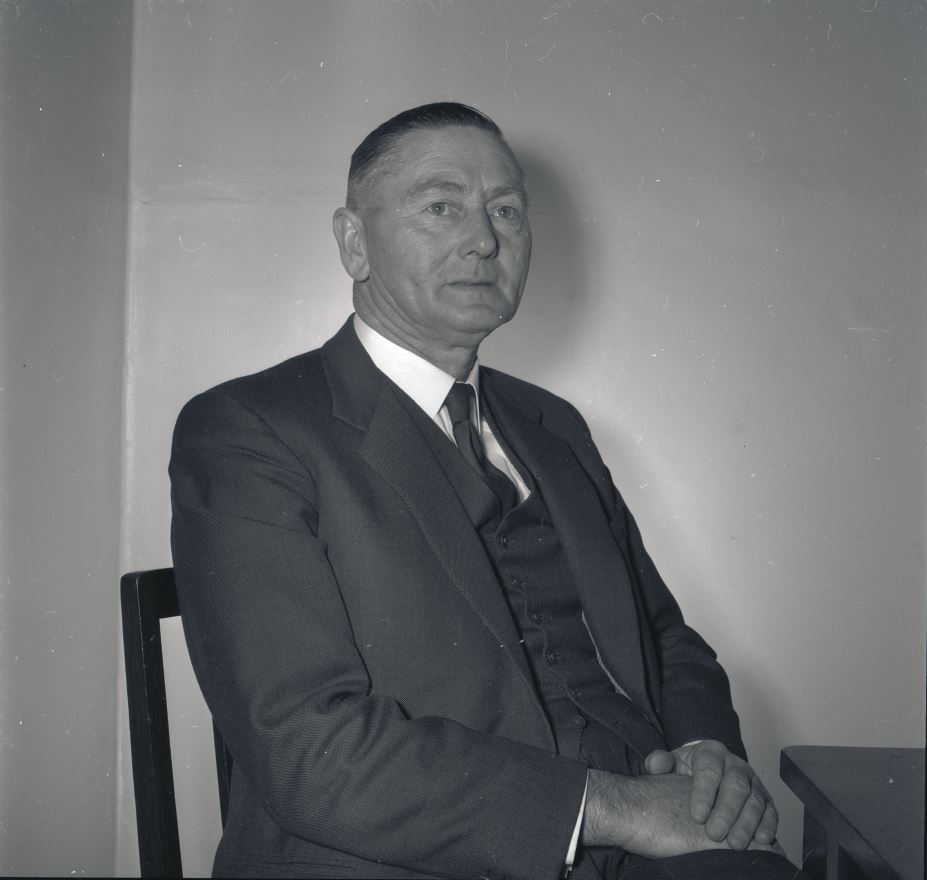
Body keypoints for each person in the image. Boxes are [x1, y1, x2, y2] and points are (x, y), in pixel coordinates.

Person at [170, 103, 806, 880]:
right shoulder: (248, 428)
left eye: (504, 210)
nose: (482, 240)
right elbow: (308, 747)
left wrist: (707, 759)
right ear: (352, 241)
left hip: (641, 824)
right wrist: (614, 808)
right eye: (441, 207)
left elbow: (662, 636)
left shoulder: (551, 425)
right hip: (406, 855)